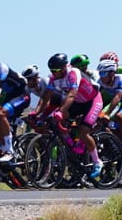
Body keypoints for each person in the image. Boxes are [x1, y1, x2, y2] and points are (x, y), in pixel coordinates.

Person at [36, 53, 103, 181]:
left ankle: (97, 162)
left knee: (83, 131)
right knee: (55, 119)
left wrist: (61, 111)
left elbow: (71, 95)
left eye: (55, 71)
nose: (53, 73)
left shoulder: (74, 73)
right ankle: (73, 144)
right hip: (78, 103)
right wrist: (37, 112)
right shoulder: (53, 78)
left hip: (93, 101)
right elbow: (47, 97)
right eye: (51, 71)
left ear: (63, 68)